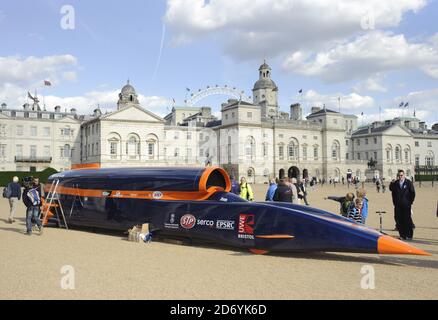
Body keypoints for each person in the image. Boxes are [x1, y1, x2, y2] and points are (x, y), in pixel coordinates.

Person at [389, 170, 416, 240]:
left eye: (401, 175)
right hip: (397, 205)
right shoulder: (395, 183)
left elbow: (412, 193)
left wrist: (410, 202)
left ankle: (409, 235)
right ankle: (402, 235)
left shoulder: (408, 182)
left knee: (407, 219)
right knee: (398, 219)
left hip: (406, 205)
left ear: (404, 175)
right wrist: (391, 183)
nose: (400, 177)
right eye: (399, 175)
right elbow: (391, 189)